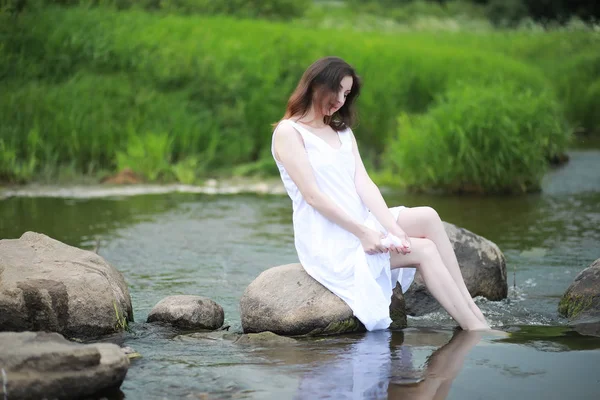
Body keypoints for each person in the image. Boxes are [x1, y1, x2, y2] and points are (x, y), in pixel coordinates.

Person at [271, 56, 490, 331]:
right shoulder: (289, 132)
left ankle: (470, 306)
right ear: (315, 84)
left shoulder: (341, 131)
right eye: (337, 90)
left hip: (360, 221)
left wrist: (392, 229)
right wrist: (364, 233)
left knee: (428, 216)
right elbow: (312, 196)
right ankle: (475, 329)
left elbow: (365, 184)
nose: (341, 100)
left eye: (347, 94)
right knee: (424, 250)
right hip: (329, 237)